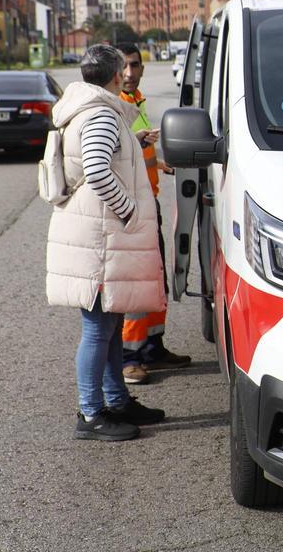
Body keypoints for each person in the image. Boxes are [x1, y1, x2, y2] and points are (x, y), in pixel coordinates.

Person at [45, 44, 166, 441]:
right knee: (99, 328)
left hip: (95, 234)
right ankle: (91, 413)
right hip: (99, 237)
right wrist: (129, 210)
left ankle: (116, 401)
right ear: (116, 76)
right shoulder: (101, 114)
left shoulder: (83, 108)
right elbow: (97, 169)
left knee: (111, 323)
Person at [116, 42, 191, 384]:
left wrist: (159, 163)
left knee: (155, 280)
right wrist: (138, 142)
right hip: (129, 210)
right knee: (134, 286)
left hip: (150, 202)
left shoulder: (137, 100)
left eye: (135, 65)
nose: (130, 73)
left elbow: (138, 154)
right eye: (124, 67)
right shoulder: (114, 105)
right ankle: (128, 357)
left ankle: (152, 348)